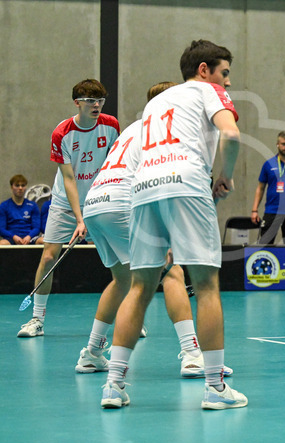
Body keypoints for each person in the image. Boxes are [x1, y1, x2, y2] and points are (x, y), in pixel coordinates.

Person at [100, 39, 246, 410]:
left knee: (139, 287)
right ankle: (215, 388)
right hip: (187, 183)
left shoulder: (155, 102)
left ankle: (114, 385)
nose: (227, 83)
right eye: (224, 73)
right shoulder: (209, 92)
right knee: (207, 284)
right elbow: (230, 134)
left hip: (144, 190)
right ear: (204, 70)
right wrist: (223, 177)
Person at [75, 82, 231, 379]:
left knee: (123, 280)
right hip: (123, 200)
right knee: (172, 272)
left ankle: (92, 353)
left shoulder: (132, 128)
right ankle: (192, 354)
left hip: (95, 203)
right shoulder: (161, 127)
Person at [17, 79, 120, 337]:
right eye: (90, 101)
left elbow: (113, 163)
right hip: (65, 202)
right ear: (77, 103)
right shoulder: (62, 133)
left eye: (100, 101)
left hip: (99, 199)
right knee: (49, 256)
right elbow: (69, 178)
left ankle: (128, 316)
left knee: (118, 261)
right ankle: (37, 320)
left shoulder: (110, 125)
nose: (96, 105)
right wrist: (79, 218)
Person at [0, 175, 41, 245]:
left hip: (30, 238)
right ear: (11, 187)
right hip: (11, 238)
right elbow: (1, 228)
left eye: (23, 185)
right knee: (2, 244)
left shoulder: (33, 205)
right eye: (17, 185)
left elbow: (37, 227)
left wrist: (29, 236)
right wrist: (13, 236)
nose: (20, 188)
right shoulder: (4, 206)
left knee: (44, 242)